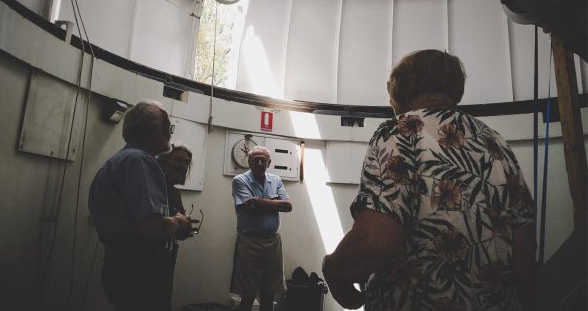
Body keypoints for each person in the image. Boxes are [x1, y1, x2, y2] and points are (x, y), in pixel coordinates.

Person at [322, 50, 536, 311]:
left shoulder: (401, 130)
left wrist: (333, 269)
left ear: (401, 88)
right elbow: (523, 242)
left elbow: (378, 240)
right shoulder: (495, 141)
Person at [88, 100, 191, 311]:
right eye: (167, 127)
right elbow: (154, 227)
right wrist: (179, 221)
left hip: (121, 264)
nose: (169, 134)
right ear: (151, 130)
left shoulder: (118, 160)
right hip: (139, 267)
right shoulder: (140, 162)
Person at [230, 146, 292, 311]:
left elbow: (287, 206)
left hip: (273, 243)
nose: (259, 162)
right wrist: (274, 203)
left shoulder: (276, 180)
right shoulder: (239, 181)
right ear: (248, 162)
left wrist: (259, 201)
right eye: (255, 160)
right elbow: (249, 206)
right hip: (250, 243)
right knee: (247, 293)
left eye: (262, 160)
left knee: (269, 292)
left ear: (269, 162)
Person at [156, 144, 197, 307]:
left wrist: (185, 227)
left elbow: (179, 231)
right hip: (143, 259)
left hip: (166, 257)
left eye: (186, 162)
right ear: (164, 161)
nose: (183, 165)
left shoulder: (175, 193)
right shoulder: (151, 186)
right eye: (178, 159)